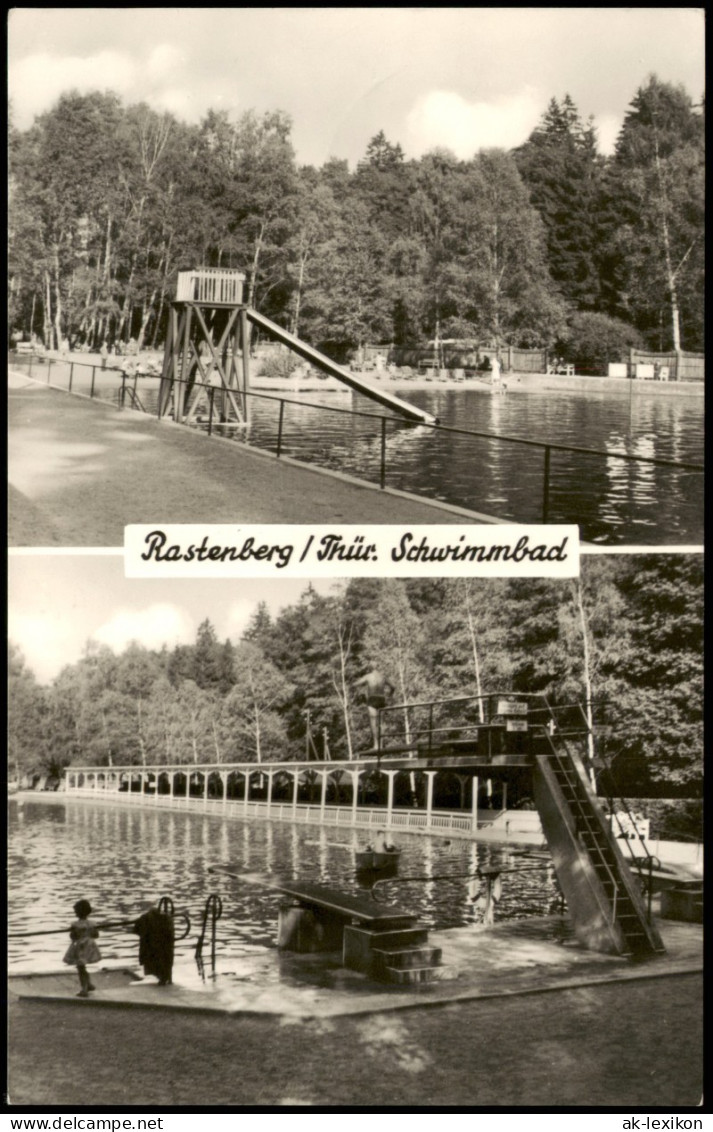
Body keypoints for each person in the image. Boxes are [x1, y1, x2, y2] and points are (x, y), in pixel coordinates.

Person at [63, 899, 101, 997]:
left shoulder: (75, 924)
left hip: (80, 947)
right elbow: (96, 935)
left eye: (75, 911)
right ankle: (89, 984)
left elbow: (73, 937)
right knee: (82, 966)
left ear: (78, 913)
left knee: (80, 967)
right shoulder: (93, 923)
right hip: (90, 946)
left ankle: (84, 989)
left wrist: (73, 932)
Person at [133, 902, 174, 985]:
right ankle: (167, 977)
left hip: (155, 945)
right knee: (164, 957)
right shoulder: (166, 919)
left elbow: (136, 929)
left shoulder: (145, 919)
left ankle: (163, 976)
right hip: (163, 945)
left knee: (157, 956)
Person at [354, 669, 395, 749]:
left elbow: (356, 684)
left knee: (373, 723)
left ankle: (376, 745)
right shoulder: (383, 676)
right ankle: (381, 745)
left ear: (371, 669)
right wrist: (390, 695)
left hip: (372, 699)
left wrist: (360, 693)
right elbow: (393, 686)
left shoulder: (368, 676)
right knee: (381, 723)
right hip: (381, 699)